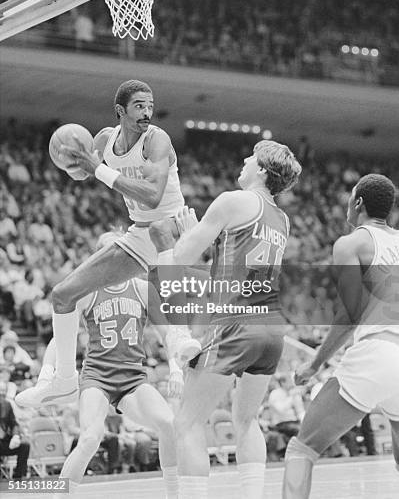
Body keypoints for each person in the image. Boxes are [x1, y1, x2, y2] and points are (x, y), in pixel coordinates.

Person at [25, 80, 200, 405]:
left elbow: (152, 197)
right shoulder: (106, 139)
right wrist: (67, 156)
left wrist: (99, 169)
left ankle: (179, 332)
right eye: (139, 106)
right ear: (120, 110)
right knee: (62, 295)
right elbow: (82, 173)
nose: (147, 112)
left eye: (150, 105)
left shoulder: (156, 140)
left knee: (159, 228)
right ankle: (63, 379)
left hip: (178, 227)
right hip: (140, 233)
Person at [150, 140, 302, 499]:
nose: (244, 160)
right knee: (246, 421)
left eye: (250, 157)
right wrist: (213, 238)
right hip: (271, 327)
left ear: (262, 169)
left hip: (234, 322)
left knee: (187, 422)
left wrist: (193, 230)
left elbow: (183, 256)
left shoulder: (232, 201)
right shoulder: (283, 219)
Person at [17, 233, 183, 497]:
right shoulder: (87, 293)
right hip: (98, 377)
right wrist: (46, 374)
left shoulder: (142, 289)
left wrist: (175, 369)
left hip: (133, 378)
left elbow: (169, 333)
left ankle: (174, 494)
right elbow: (58, 340)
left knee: (169, 423)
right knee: (90, 439)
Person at [282, 173, 399, 499]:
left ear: (357, 202)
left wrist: (315, 365)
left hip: (378, 352)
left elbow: (349, 314)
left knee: (302, 448)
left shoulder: (352, 243)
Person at [0, 380, 30, 479]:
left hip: (3, 441)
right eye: (0, 390)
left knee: (25, 445)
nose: (2, 392)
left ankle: (18, 477)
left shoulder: (7, 404)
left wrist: (16, 436)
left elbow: (14, 423)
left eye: (4, 390)